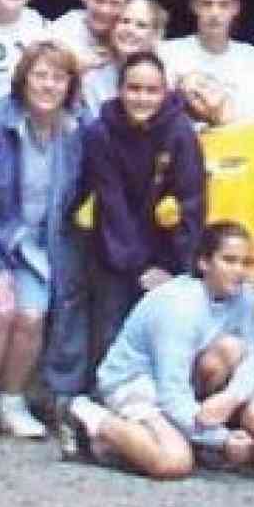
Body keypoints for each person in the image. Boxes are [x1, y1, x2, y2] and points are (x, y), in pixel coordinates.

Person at [66, 221, 254, 478]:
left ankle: (179, 437)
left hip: (188, 384)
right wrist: (220, 439)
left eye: (246, 263)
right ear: (204, 263)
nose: (239, 271)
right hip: (137, 382)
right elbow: (171, 392)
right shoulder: (180, 307)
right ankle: (88, 416)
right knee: (173, 462)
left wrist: (231, 398)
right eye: (229, 261)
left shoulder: (246, 300)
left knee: (231, 349)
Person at [0, 39, 86, 444]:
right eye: (40, 76)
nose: (49, 86)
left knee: (31, 319)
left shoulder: (76, 130)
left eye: (59, 78)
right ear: (23, 80)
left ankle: (12, 401)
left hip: (40, 245)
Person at [76, 50, 205, 376]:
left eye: (152, 90)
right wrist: (137, 267)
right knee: (110, 337)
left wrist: (172, 268)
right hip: (115, 252)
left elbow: (191, 201)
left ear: (165, 92)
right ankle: (102, 411)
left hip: (167, 257)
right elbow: (112, 204)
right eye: (134, 89)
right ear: (119, 89)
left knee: (164, 342)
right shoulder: (100, 133)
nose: (142, 98)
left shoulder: (180, 133)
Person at [179, 70, 254, 260]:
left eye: (203, 83)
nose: (201, 93)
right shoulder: (196, 144)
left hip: (253, 259)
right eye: (192, 95)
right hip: (209, 260)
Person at [161, 0, 254, 115]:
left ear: (235, 7)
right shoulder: (168, 53)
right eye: (207, 4)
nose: (215, 13)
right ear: (194, 6)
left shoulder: (251, 57)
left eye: (223, 5)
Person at [79, 0, 170, 115]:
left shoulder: (169, 73)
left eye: (141, 25)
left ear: (155, 35)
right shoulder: (94, 78)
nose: (130, 30)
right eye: (125, 21)